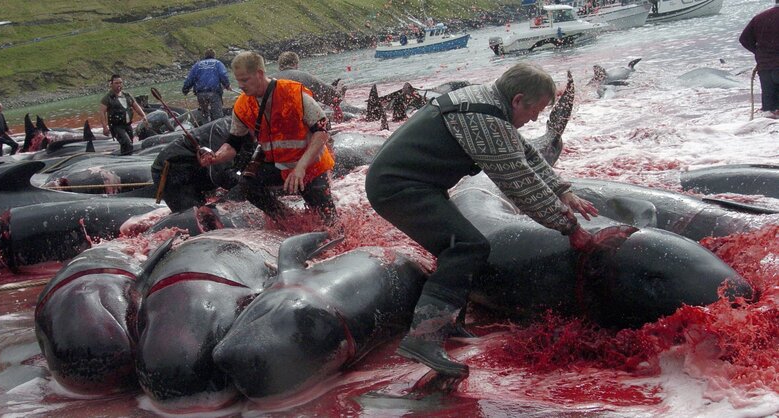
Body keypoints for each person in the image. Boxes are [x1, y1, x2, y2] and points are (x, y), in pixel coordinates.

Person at [365, 63, 613, 378]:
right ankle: (423, 339)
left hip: (413, 183)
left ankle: (448, 322)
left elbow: (527, 155)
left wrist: (564, 193)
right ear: (518, 100)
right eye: (535, 111)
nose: (535, 119)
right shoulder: (485, 119)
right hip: (397, 188)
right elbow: (519, 183)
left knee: (457, 242)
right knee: (467, 246)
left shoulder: (490, 103)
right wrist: (570, 228)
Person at [229, 51, 337, 225]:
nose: (240, 85)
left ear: (259, 74)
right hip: (279, 165)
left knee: (331, 224)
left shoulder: (293, 93)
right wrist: (215, 156)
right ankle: (289, 221)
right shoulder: (243, 103)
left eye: (245, 80)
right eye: (238, 80)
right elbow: (233, 141)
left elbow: (323, 129)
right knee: (247, 184)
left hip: (309, 166)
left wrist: (301, 167)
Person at [739, 0, 779, 116]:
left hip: (765, 69)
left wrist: (759, 53)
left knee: (768, 112)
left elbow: (744, 39)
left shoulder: (759, 18)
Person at [100, 74, 147, 155]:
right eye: (116, 83)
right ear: (111, 84)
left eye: (120, 83)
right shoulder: (107, 98)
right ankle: (127, 160)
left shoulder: (127, 95)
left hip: (128, 125)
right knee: (127, 143)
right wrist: (105, 127)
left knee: (129, 144)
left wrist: (144, 116)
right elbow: (102, 113)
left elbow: (136, 106)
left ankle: (125, 159)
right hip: (116, 126)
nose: (119, 85)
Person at [182, 48, 232, 124]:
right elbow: (223, 75)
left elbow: (190, 78)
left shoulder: (197, 65)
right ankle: (218, 129)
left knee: (204, 114)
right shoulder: (218, 63)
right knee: (218, 115)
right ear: (214, 56)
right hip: (214, 92)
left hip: (201, 94)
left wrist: (185, 89)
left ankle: (206, 129)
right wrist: (227, 85)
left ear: (205, 56)